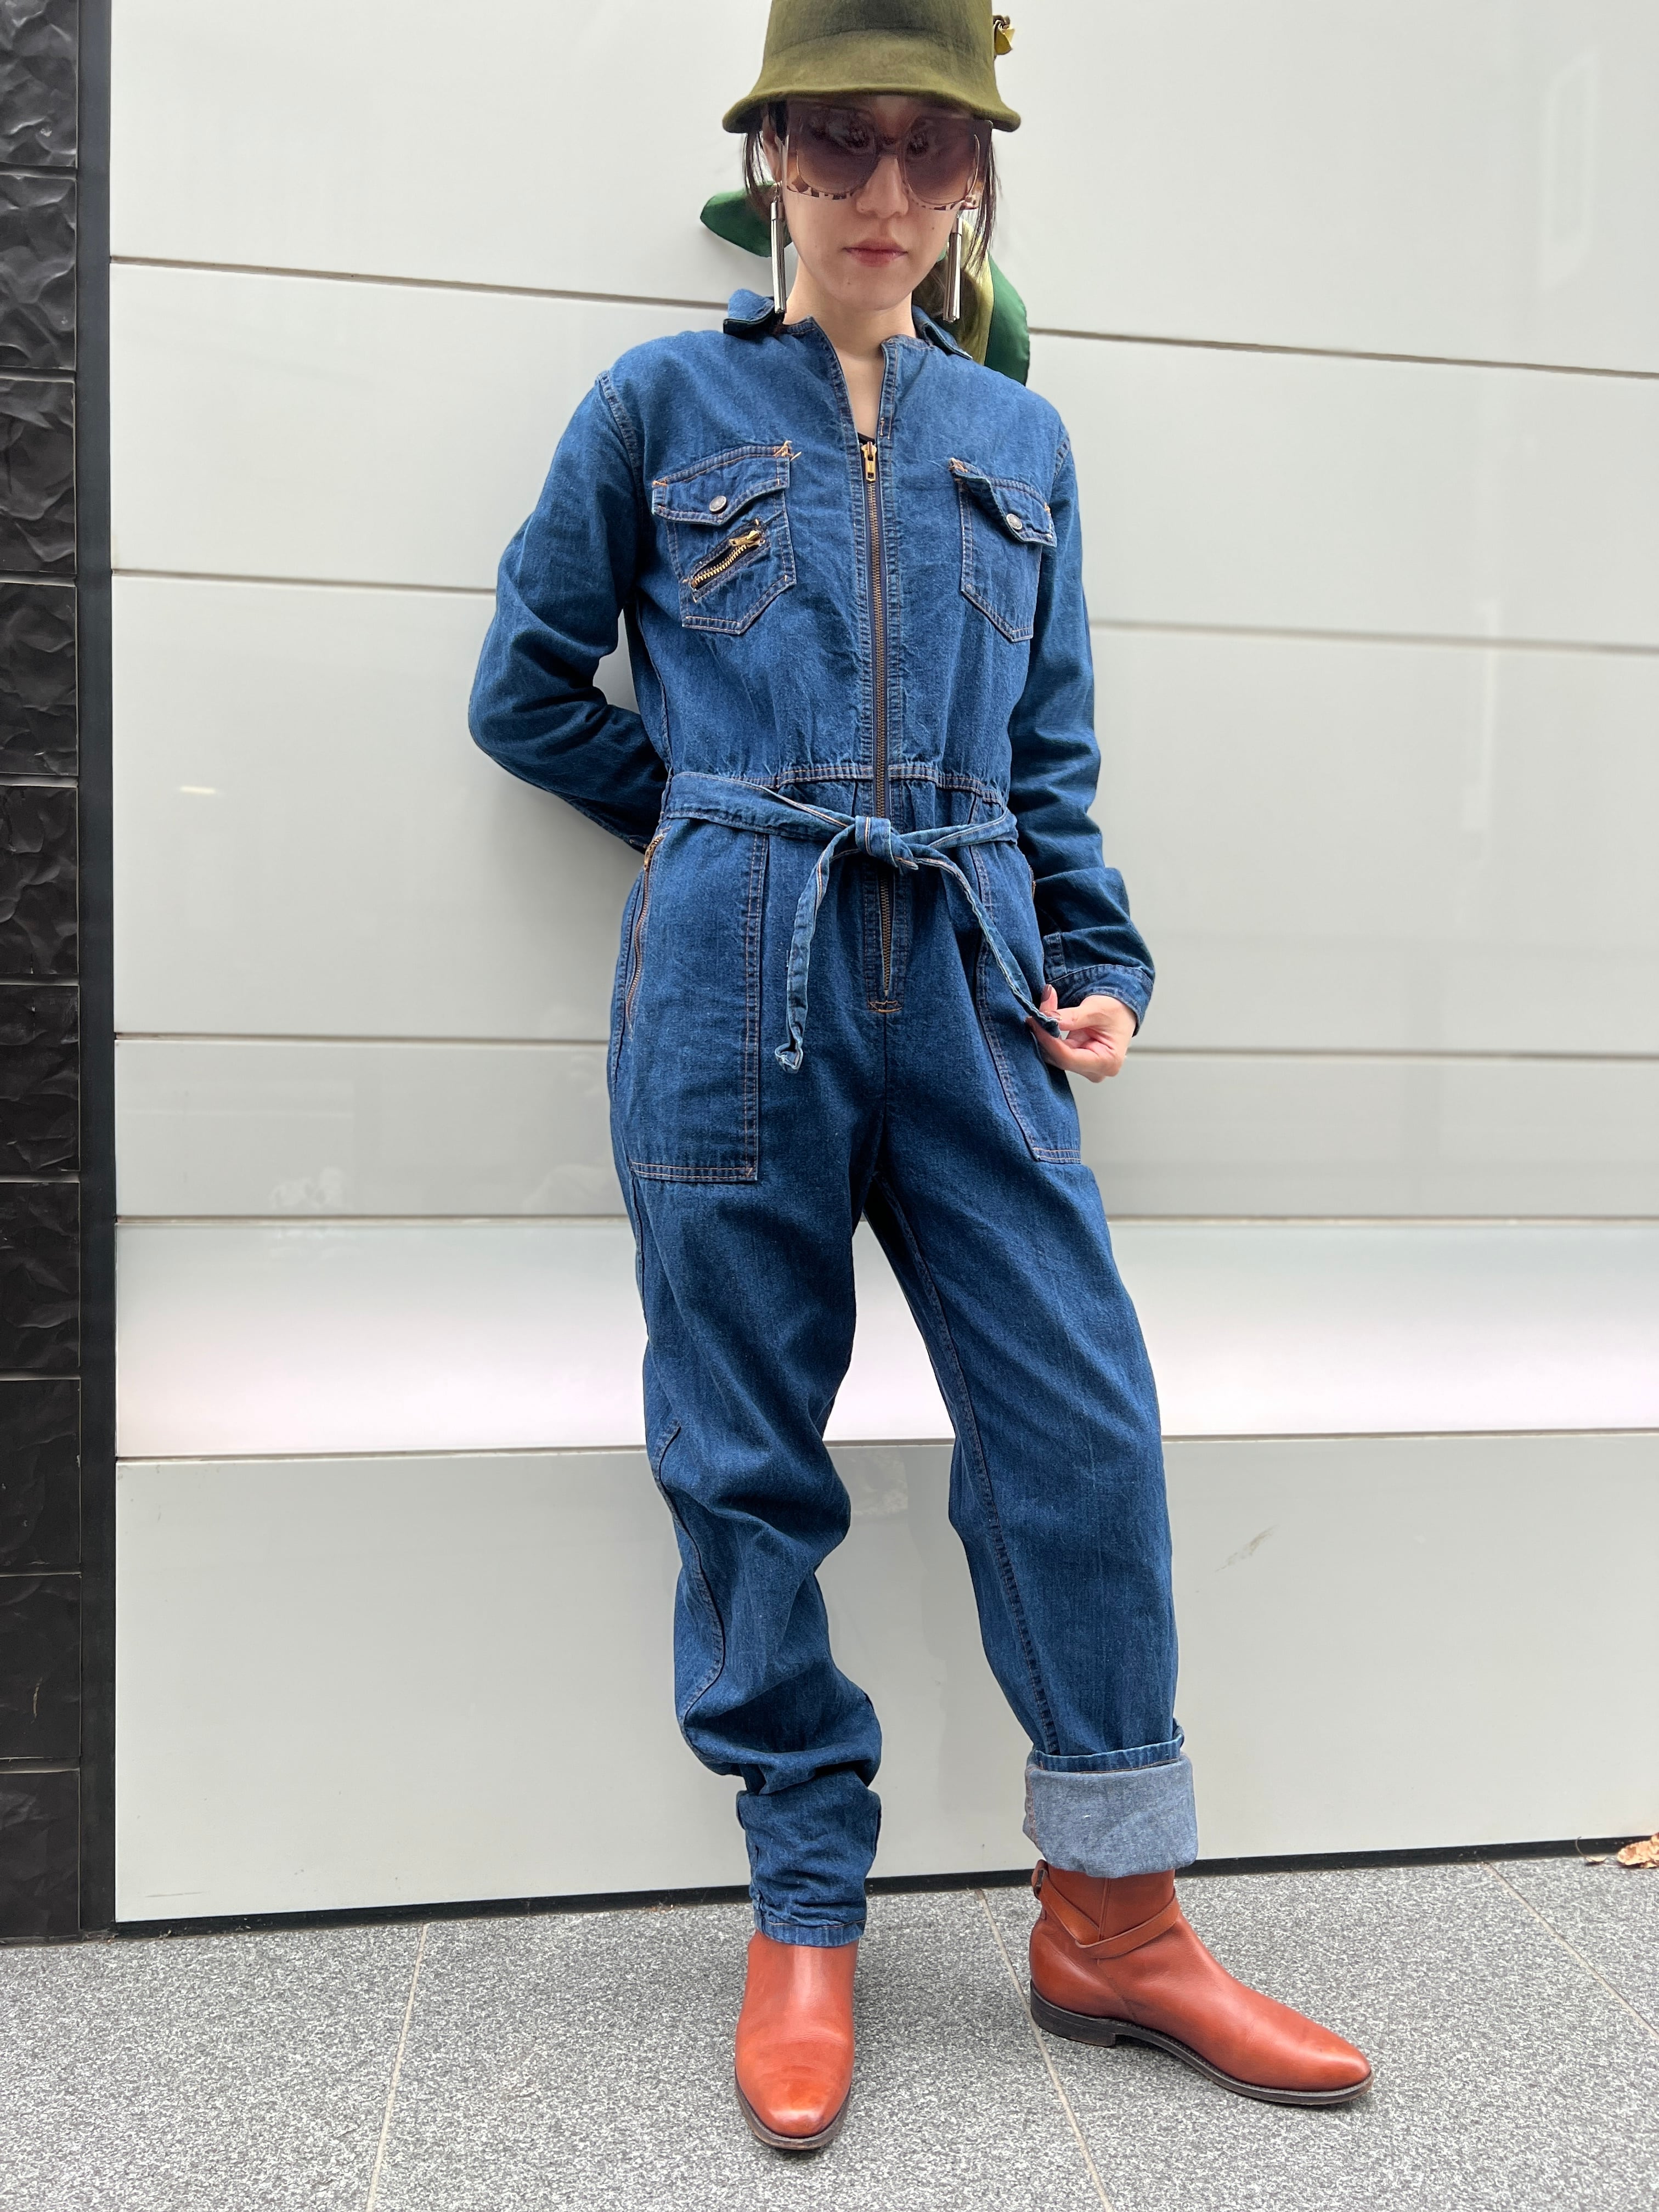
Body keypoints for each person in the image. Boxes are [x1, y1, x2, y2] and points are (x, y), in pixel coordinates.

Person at [470, 0, 1371, 2152]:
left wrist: (1100, 965)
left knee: (1079, 1421)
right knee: (743, 1449)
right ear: (772, 156)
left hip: (970, 973)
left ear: (977, 178)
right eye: (843, 142)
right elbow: (524, 690)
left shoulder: (1021, 439)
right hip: (736, 981)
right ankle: (805, 1909)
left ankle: (1116, 1916)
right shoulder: (657, 402)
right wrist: (717, 829)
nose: (887, 191)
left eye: (933, 150)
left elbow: (1051, 758)